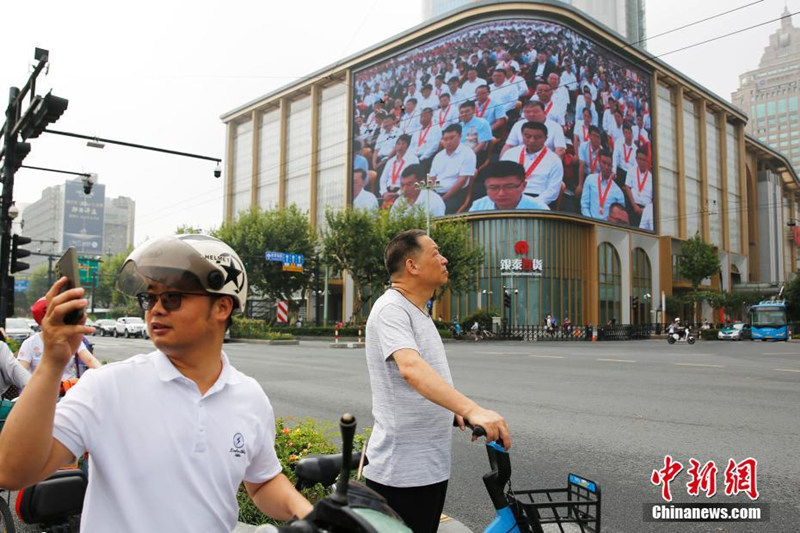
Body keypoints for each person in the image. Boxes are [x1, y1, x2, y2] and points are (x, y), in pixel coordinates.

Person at [0, 235, 313, 531]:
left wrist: (310, 514)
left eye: (173, 297)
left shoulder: (250, 397)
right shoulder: (107, 387)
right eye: (149, 298)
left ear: (222, 306)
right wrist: (52, 364)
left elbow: (262, 482)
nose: (156, 309)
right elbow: (12, 470)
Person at [364, 229, 511, 533]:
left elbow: (427, 375)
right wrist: (472, 408)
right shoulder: (392, 307)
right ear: (411, 266)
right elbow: (411, 369)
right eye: (435, 253)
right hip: (401, 473)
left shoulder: (418, 311)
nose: (444, 260)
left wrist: (452, 409)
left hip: (426, 468)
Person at [17, 297, 101, 380]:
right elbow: (21, 372)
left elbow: (90, 360)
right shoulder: (30, 344)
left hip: (69, 389)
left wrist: (103, 374)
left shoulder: (72, 339)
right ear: (41, 323)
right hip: (41, 390)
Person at [500, 121, 564, 206]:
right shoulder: (510, 153)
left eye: (537, 137)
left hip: (537, 198)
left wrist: (531, 204)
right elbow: (499, 178)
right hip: (509, 195)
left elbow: (552, 191)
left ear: (546, 138)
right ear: (522, 136)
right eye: (528, 136)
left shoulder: (554, 160)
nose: (532, 140)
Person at [429, 124, 476, 214]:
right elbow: (432, 178)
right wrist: (430, 196)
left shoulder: (468, 153)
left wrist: (442, 199)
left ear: (459, 137)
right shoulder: (439, 156)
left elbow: (462, 181)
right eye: (445, 139)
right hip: (437, 193)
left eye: (451, 138)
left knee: (437, 212)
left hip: (455, 194)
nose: (448, 142)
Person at [469, 161, 549, 212]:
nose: (501, 194)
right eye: (494, 188)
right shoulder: (478, 207)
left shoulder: (539, 209)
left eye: (509, 187)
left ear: (524, 186)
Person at [580, 149, 626, 221]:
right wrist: (590, 221)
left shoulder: (618, 192)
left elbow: (620, 217)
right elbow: (584, 204)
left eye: (609, 165)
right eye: (604, 163)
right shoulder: (590, 179)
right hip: (589, 222)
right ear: (599, 162)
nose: (606, 167)